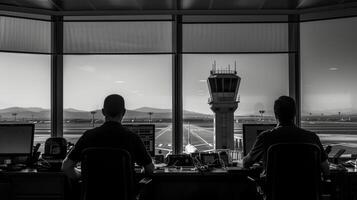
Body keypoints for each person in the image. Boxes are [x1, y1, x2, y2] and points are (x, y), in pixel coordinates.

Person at [62, 94, 154, 180]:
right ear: (124, 112)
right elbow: (149, 169)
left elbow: (66, 167)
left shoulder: (88, 136)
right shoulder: (132, 137)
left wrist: (84, 176)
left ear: (103, 112)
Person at [243, 96, 330, 178]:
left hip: (276, 193)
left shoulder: (265, 137)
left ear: (276, 115)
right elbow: (326, 169)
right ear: (295, 114)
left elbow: (246, 163)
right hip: (307, 193)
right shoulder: (312, 138)